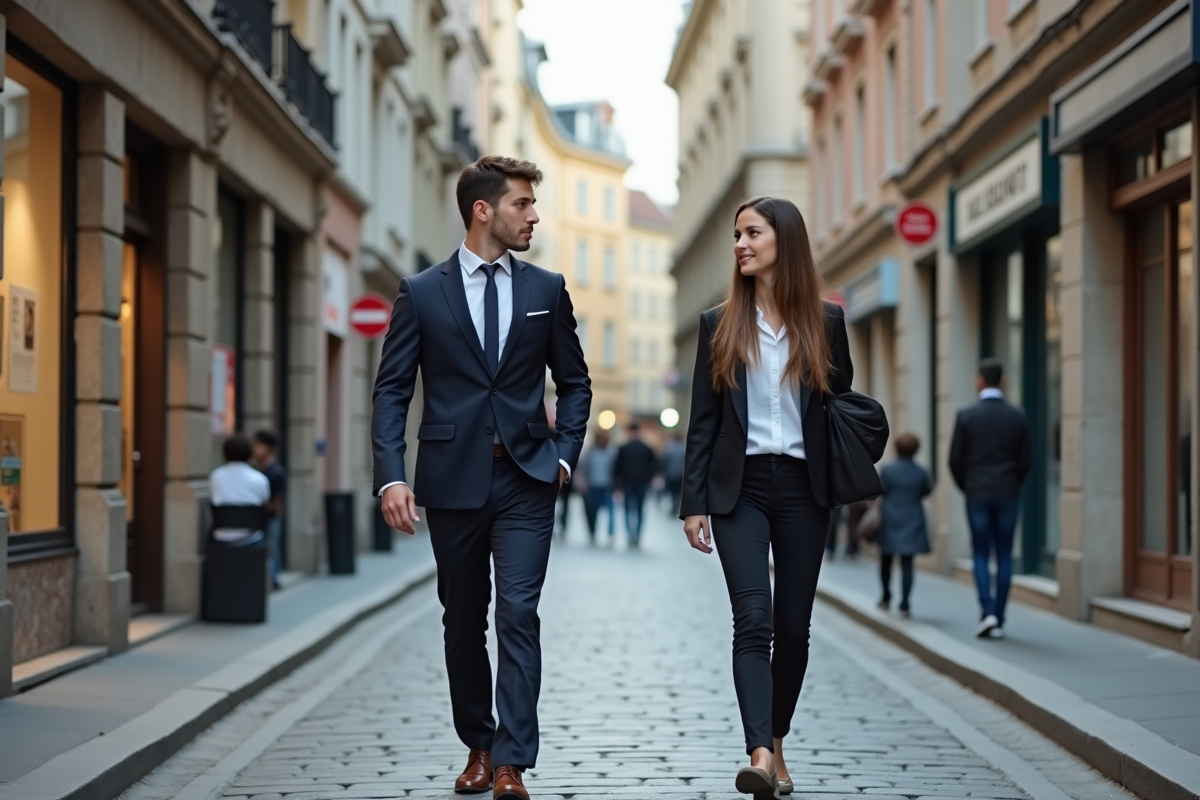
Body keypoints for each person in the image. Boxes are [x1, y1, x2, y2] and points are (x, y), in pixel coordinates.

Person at [372, 156, 591, 800]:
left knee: (519, 613)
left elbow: (575, 384)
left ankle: (511, 763)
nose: (534, 215)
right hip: (452, 481)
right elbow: (391, 392)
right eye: (523, 203)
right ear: (483, 211)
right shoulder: (421, 292)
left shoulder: (546, 289)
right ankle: (478, 742)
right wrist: (391, 476)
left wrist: (563, 454)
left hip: (526, 479)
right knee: (463, 618)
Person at [680, 196, 853, 799]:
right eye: (736, 235)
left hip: (806, 490)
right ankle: (757, 751)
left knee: (794, 627)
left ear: (785, 239)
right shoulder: (717, 324)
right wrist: (693, 502)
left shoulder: (827, 323)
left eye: (752, 232)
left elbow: (838, 410)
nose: (740, 244)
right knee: (752, 618)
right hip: (740, 489)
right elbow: (702, 420)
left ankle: (778, 742)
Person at [948, 357, 1031, 640]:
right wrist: (1013, 483)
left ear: (979, 380)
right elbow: (1026, 460)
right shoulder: (1017, 416)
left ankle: (987, 612)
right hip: (1008, 491)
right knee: (1005, 554)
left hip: (977, 492)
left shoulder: (966, 415)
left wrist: (967, 485)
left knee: (981, 553)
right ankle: (1000, 614)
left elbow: (954, 460)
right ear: (1003, 381)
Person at [876, 432, 933, 618]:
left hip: (890, 517)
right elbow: (926, 490)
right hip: (912, 518)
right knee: (907, 561)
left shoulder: (888, 469)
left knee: (886, 559)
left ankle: (885, 597)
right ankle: (905, 604)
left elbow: (879, 490)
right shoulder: (921, 471)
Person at [209, 433, 271, 542]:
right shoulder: (260, 479)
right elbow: (264, 504)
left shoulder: (216, 476)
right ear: (250, 454)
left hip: (221, 536)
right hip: (252, 537)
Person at [613, 422, 658, 548]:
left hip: (627, 483)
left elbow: (617, 468)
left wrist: (617, 485)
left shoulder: (623, 448)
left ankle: (630, 534)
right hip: (642, 483)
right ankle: (637, 535)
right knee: (639, 510)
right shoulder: (646, 448)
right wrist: (649, 478)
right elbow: (654, 466)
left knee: (628, 510)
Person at [252, 429, 287, 590]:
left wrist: (267, 508)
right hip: (257, 517)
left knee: (272, 549)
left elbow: (278, 501)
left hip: (271, 518)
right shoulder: (256, 470)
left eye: (259, 445)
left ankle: (273, 579)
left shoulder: (276, 472)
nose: (256, 449)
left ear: (269, 448)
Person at [578, 430, 617, 542]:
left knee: (611, 511)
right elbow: (582, 468)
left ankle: (610, 533)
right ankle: (592, 531)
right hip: (592, 486)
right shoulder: (590, 452)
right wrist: (582, 482)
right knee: (591, 511)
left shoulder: (611, 453)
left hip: (607, 486)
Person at [659, 432, 686, 514]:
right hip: (681, 474)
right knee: (678, 492)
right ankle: (676, 505)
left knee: (672, 492)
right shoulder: (683, 449)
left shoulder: (669, 449)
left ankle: (674, 506)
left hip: (671, 474)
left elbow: (664, 461)